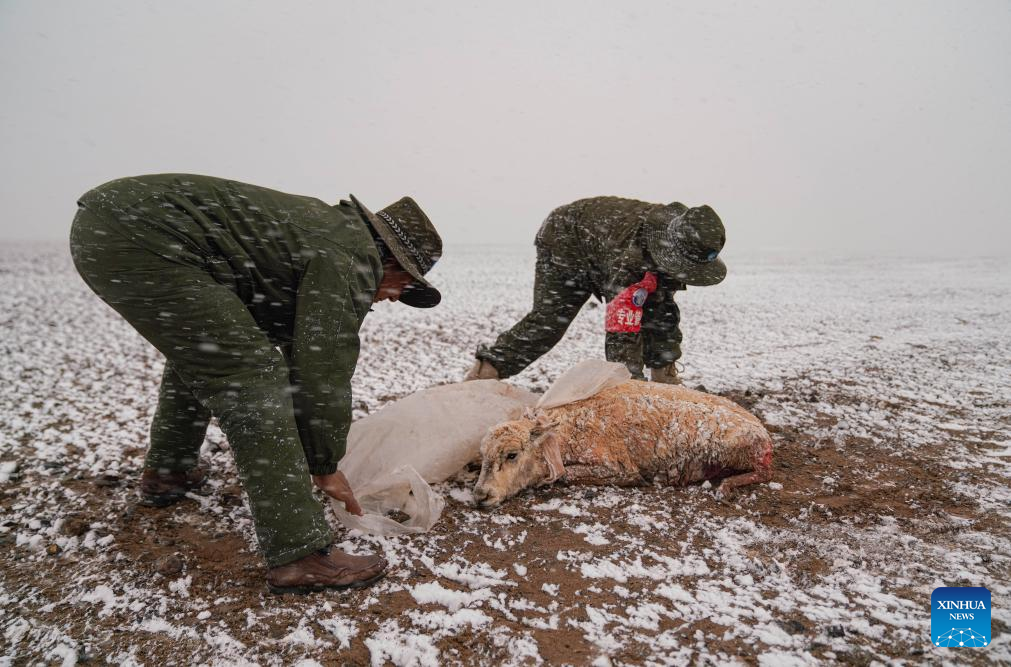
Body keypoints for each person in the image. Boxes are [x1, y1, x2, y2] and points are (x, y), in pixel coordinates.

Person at [70, 174, 443, 594]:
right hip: (143, 235)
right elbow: (323, 369)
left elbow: (282, 332)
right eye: (404, 285)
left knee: (210, 355)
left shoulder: (328, 235)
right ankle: (299, 554)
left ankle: (168, 472)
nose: (394, 297)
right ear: (388, 260)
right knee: (251, 375)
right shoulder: (351, 256)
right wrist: (324, 464)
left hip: (112, 226)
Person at [465, 196, 726, 383]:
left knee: (659, 306)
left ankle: (664, 376)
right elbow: (622, 329)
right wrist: (629, 385)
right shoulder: (631, 258)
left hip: (602, 243)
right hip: (566, 238)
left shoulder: (676, 241)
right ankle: (486, 370)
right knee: (550, 321)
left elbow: (662, 311)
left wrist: (664, 367)